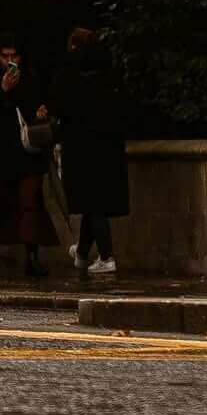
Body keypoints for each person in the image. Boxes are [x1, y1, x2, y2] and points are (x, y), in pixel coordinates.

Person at [57, 23, 132, 280]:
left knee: (92, 201)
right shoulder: (108, 76)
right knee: (94, 201)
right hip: (107, 147)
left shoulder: (72, 76)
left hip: (82, 147)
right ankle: (81, 254)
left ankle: (106, 256)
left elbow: (64, 111)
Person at [0, 43, 50, 279]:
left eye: (14, 55)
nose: (9, 60)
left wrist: (39, 114)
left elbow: (35, 109)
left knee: (30, 203)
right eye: (4, 56)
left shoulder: (31, 79)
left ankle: (32, 257)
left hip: (26, 153)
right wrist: (2, 90)